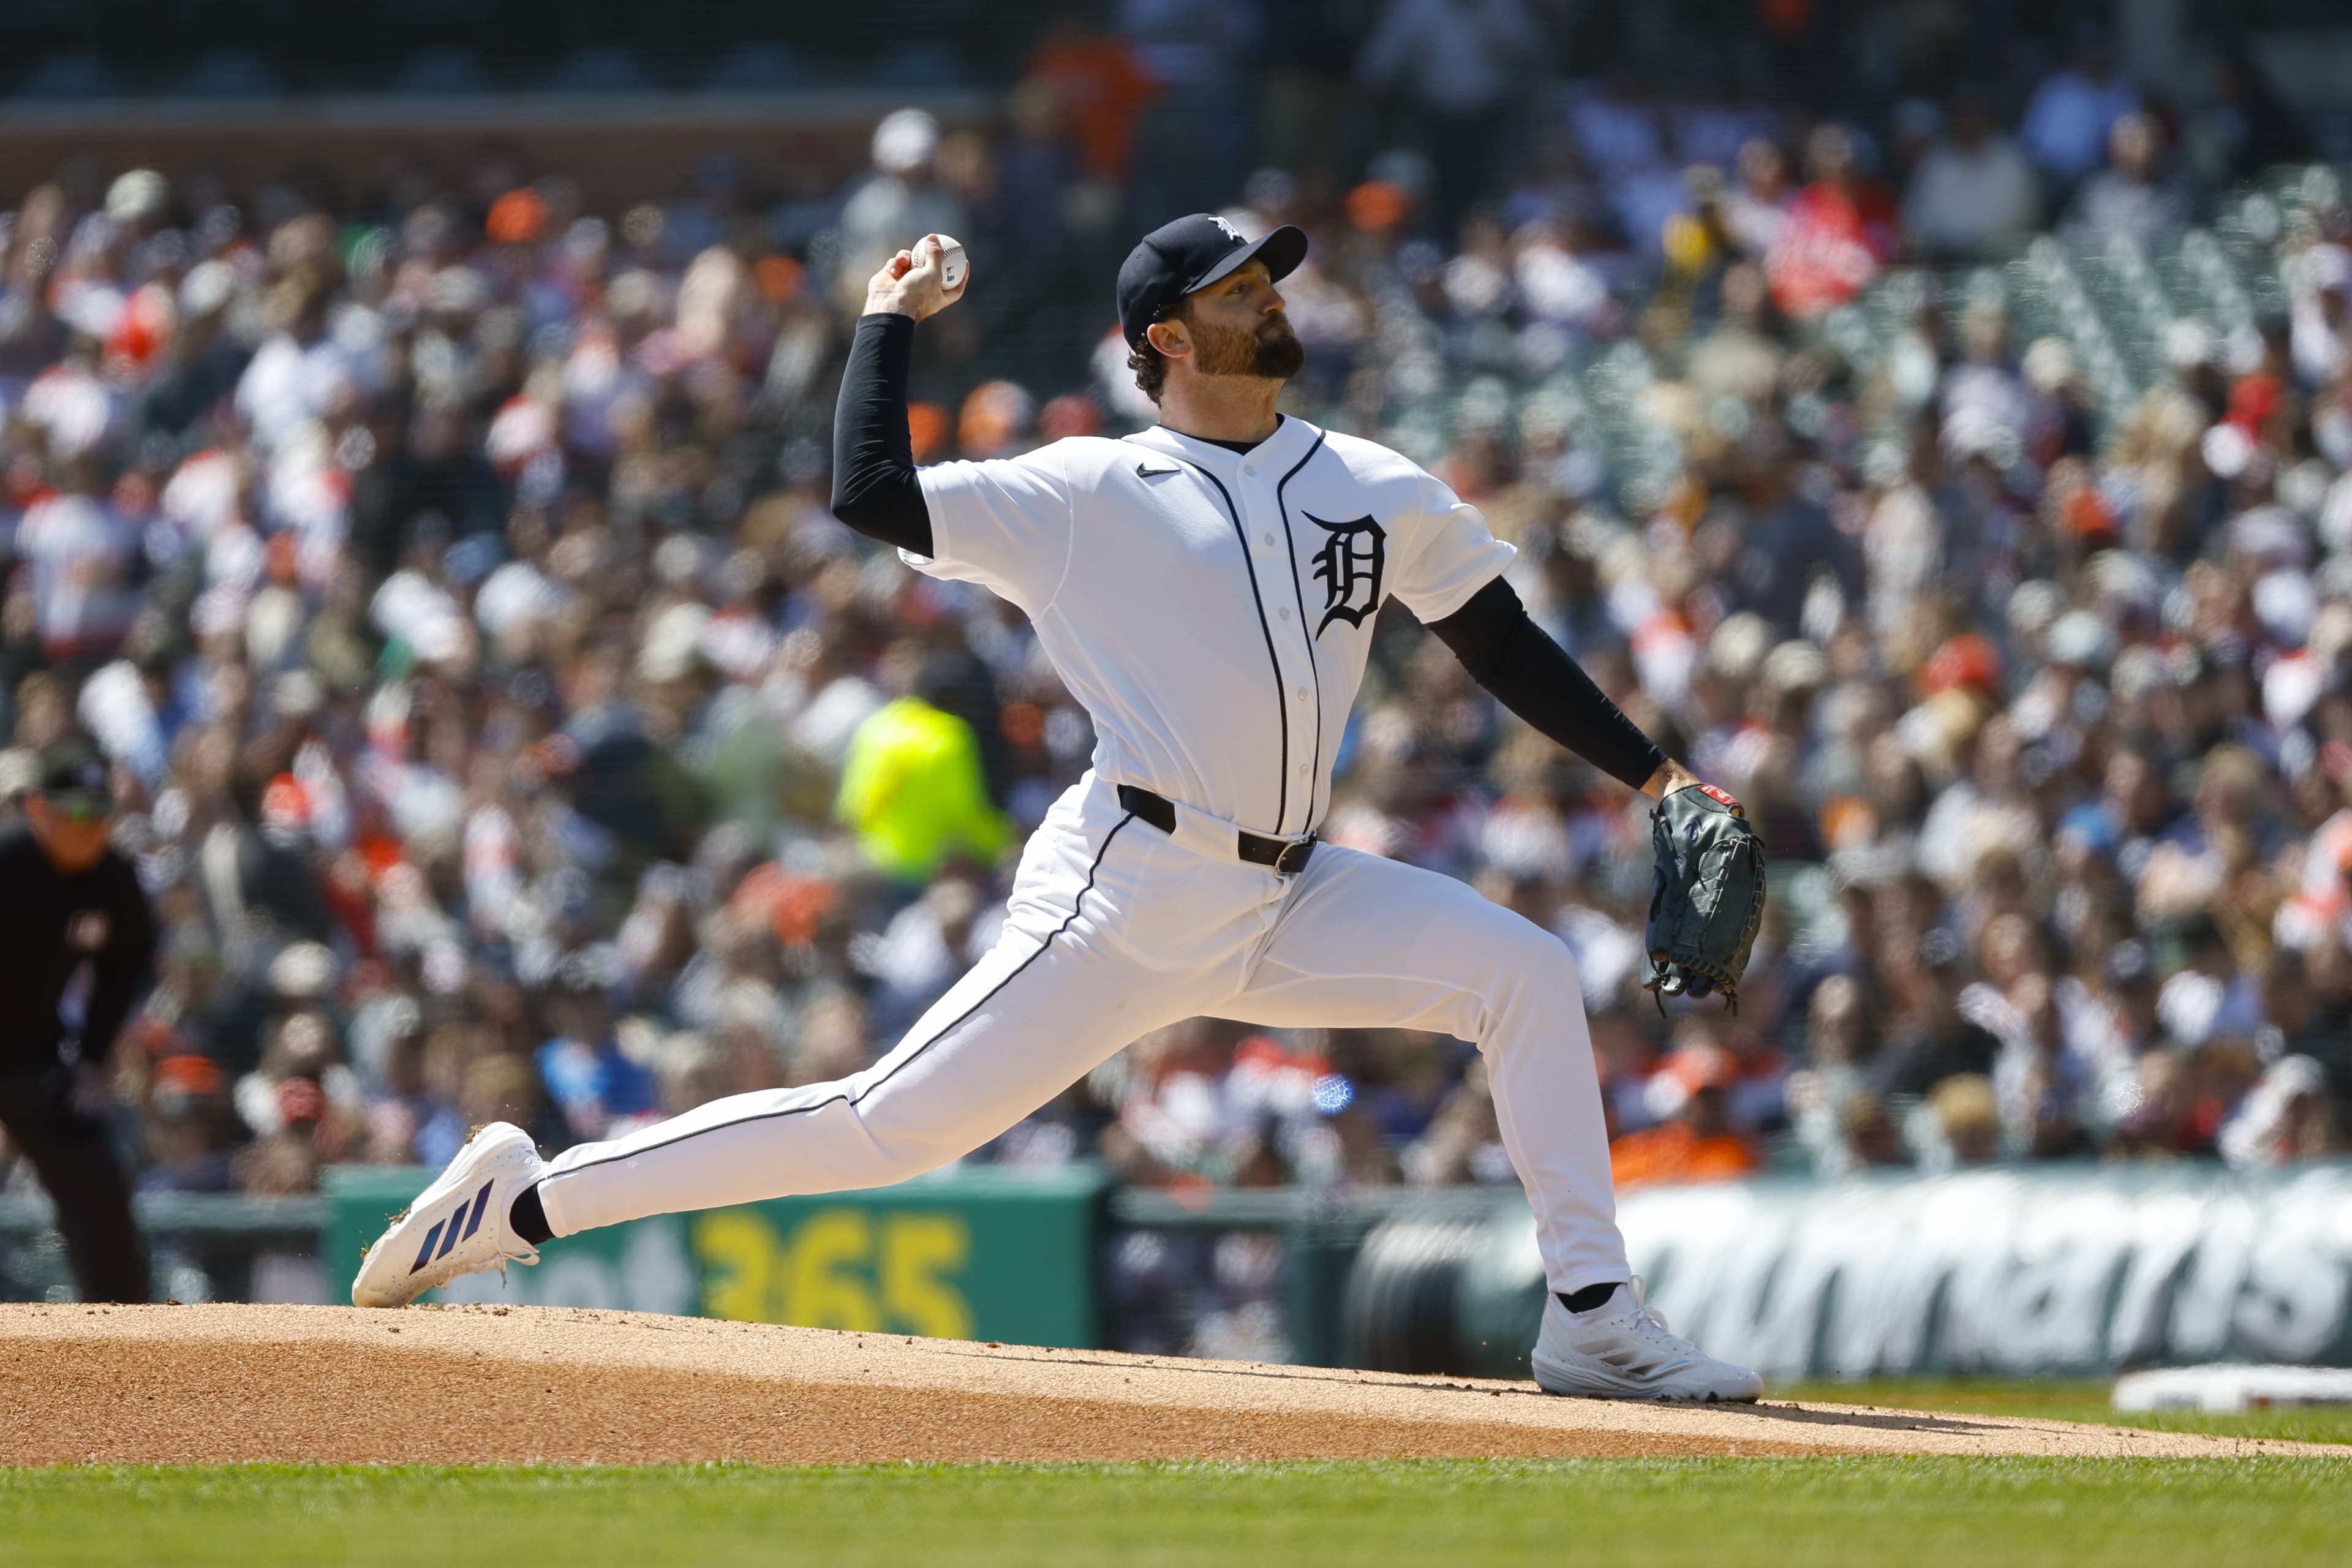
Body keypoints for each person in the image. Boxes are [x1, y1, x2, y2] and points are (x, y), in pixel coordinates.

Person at [353, 216, 1762, 1403]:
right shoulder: (1092, 486)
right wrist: (882, 319)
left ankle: (1588, 1311)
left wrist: (1654, 776)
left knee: (1521, 971)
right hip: (1123, 889)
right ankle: (524, 1199)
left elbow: (1498, 637)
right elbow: (871, 493)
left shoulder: (1368, 482)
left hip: (1287, 892)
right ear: (1168, 337)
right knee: (882, 1124)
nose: (1272, 299)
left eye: (1269, 280)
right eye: (1238, 290)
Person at [0, 736, 157, 1301]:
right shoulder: (7, 859)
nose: (90, 826)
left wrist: (91, 1057)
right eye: (76, 813)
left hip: (31, 1055)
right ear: (38, 808)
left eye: (101, 814)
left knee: (97, 1178)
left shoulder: (111, 879)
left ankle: (125, 1339)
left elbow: (132, 959)